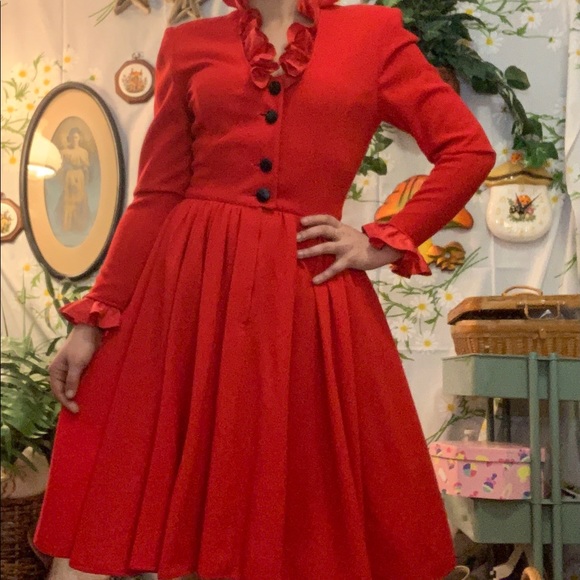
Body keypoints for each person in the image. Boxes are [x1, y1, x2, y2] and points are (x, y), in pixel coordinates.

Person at [32, 0, 496, 577]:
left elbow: (467, 150)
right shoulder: (188, 43)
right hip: (191, 289)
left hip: (303, 291)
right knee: (195, 487)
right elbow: (156, 195)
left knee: (301, 481)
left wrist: (382, 241)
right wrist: (93, 318)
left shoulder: (372, 35)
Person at [57, 127, 91, 234]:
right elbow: (60, 167)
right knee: (68, 199)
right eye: (72, 138)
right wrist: (65, 172)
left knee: (80, 198)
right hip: (69, 176)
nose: (74, 140)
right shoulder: (64, 152)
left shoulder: (84, 152)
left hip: (80, 176)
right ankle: (67, 226)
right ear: (69, 139)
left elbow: (86, 167)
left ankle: (79, 225)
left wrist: (86, 177)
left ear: (79, 138)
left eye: (76, 137)